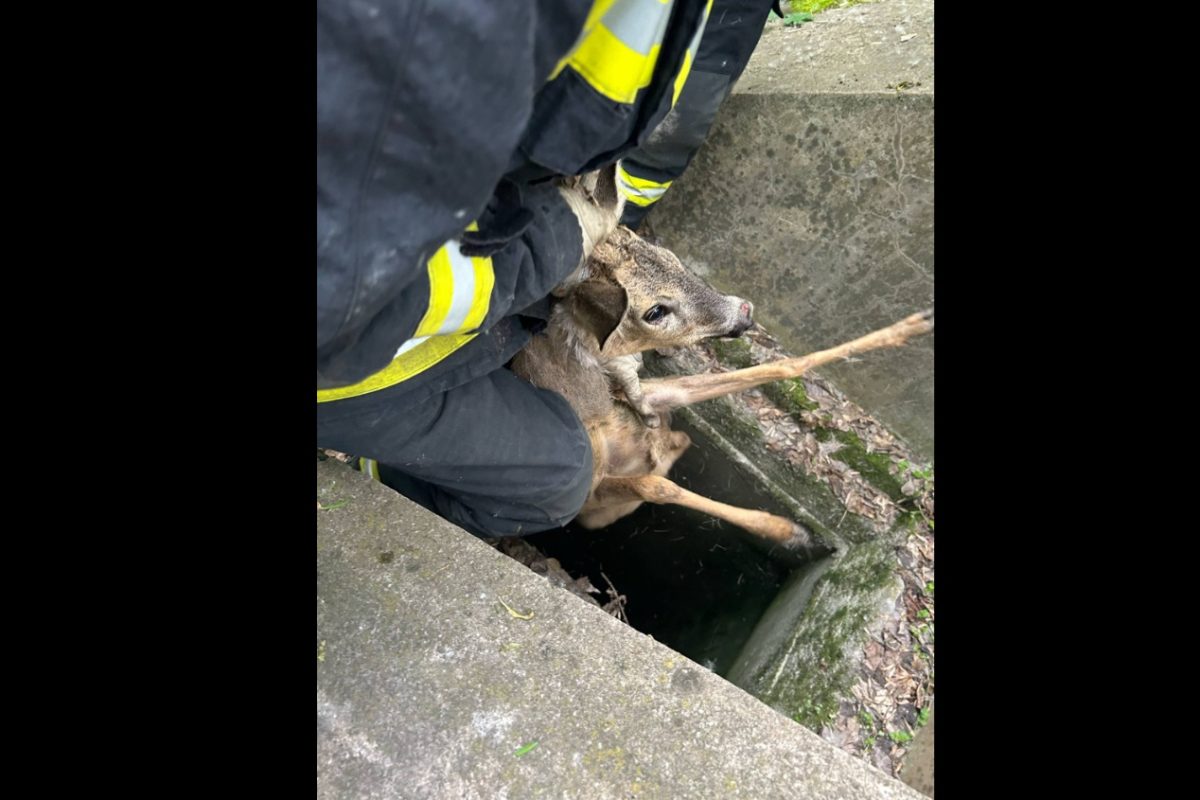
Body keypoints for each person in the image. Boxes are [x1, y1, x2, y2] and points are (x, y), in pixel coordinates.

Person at [317, 0, 776, 539]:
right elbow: (339, 298)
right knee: (560, 484)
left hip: (484, 285)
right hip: (357, 362)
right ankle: (391, 481)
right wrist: (549, 247)